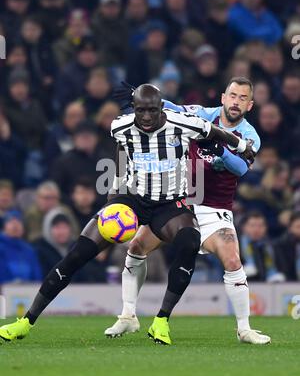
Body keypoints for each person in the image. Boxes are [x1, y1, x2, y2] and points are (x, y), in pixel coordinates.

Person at [0, 83, 253, 343]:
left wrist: (243, 146)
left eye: (152, 111)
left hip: (169, 204)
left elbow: (216, 132)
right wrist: (112, 200)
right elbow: (122, 155)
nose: (145, 117)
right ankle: (25, 321)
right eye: (140, 110)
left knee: (189, 241)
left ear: (161, 108)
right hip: (132, 199)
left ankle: (161, 321)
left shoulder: (183, 123)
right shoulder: (120, 126)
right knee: (78, 253)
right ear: (133, 108)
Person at [105, 77, 271, 345]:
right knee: (136, 247)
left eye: (242, 98)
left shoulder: (250, 136)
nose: (236, 102)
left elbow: (241, 168)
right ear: (223, 97)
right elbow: (173, 108)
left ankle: (244, 329)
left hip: (215, 207)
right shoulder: (204, 116)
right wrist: (140, 94)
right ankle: (127, 315)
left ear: (250, 105)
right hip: (180, 202)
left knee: (232, 260)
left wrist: (220, 150)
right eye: (232, 95)